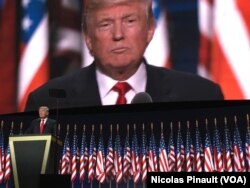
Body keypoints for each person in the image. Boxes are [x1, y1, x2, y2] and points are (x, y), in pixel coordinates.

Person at [25, 0, 224, 112]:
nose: (118, 34)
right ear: (88, 38)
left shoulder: (200, 97)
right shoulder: (46, 103)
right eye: (105, 24)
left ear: (149, 29)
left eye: (129, 21)